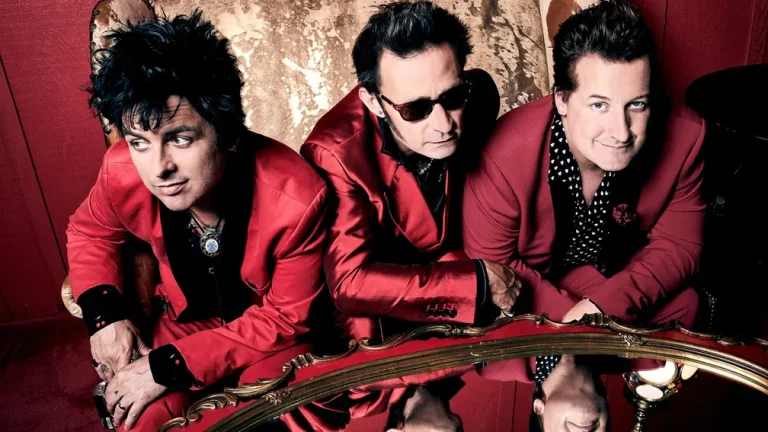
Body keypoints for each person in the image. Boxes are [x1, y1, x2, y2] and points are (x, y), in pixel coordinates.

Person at [68, 11, 335, 431]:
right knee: (139, 419)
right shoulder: (122, 169)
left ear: (228, 133)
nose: (158, 168)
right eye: (139, 142)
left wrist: (168, 367)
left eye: (179, 138)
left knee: (269, 419)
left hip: (269, 336)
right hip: (179, 324)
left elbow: (286, 318)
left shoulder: (298, 197)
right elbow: (90, 232)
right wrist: (105, 318)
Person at [300, 1, 518, 426]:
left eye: (452, 97)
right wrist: (474, 282)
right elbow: (349, 283)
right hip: (377, 317)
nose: (443, 124)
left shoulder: (479, 95)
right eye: (416, 109)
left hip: (456, 269)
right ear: (373, 101)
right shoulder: (334, 153)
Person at [463, 0, 703, 328]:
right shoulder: (504, 155)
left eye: (636, 105)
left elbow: (679, 245)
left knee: (687, 304)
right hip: (532, 290)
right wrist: (575, 327)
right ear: (562, 99)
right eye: (599, 105)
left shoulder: (686, 137)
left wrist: (604, 307)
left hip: (611, 278)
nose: (621, 132)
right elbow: (495, 266)